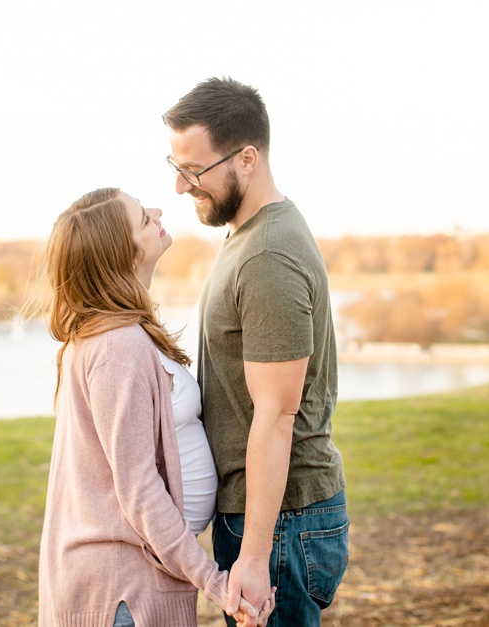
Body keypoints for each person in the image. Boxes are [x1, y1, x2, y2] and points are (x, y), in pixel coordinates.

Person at [34, 188, 274, 627]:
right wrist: (215, 582)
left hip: (131, 584)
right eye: (143, 218)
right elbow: (139, 488)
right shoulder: (116, 348)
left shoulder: (116, 335)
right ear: (121, 253)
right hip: (121, 591)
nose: (159, 212)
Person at [163, 77, 349, 626]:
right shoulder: (249, 235)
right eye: (174, 166)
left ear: (247, 158)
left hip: (277, 523)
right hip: (269, 519)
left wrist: (253, 555)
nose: (179, 187)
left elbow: (276, 413)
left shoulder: (267, 254)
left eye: (193, 171)